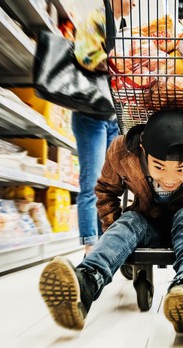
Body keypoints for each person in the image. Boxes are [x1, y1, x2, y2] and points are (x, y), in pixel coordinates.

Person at [39, 109, 183, 334]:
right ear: (143, 149)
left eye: (182, 169)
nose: (169, 179)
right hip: (144, 221)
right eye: (159, 167)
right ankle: (85, 283)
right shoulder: (122, 151)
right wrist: (116, 241)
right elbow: (106, 190)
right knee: (129, 219)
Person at [71, 0, 135, 255]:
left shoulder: (119, 26)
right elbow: (85, 55)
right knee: (92, 182)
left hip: (111, 115)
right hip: (90, 114)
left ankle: (108, 242)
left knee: (111, 184)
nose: (133, 3)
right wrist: (118, 61)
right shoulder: (96, 18)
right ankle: (90, 245)